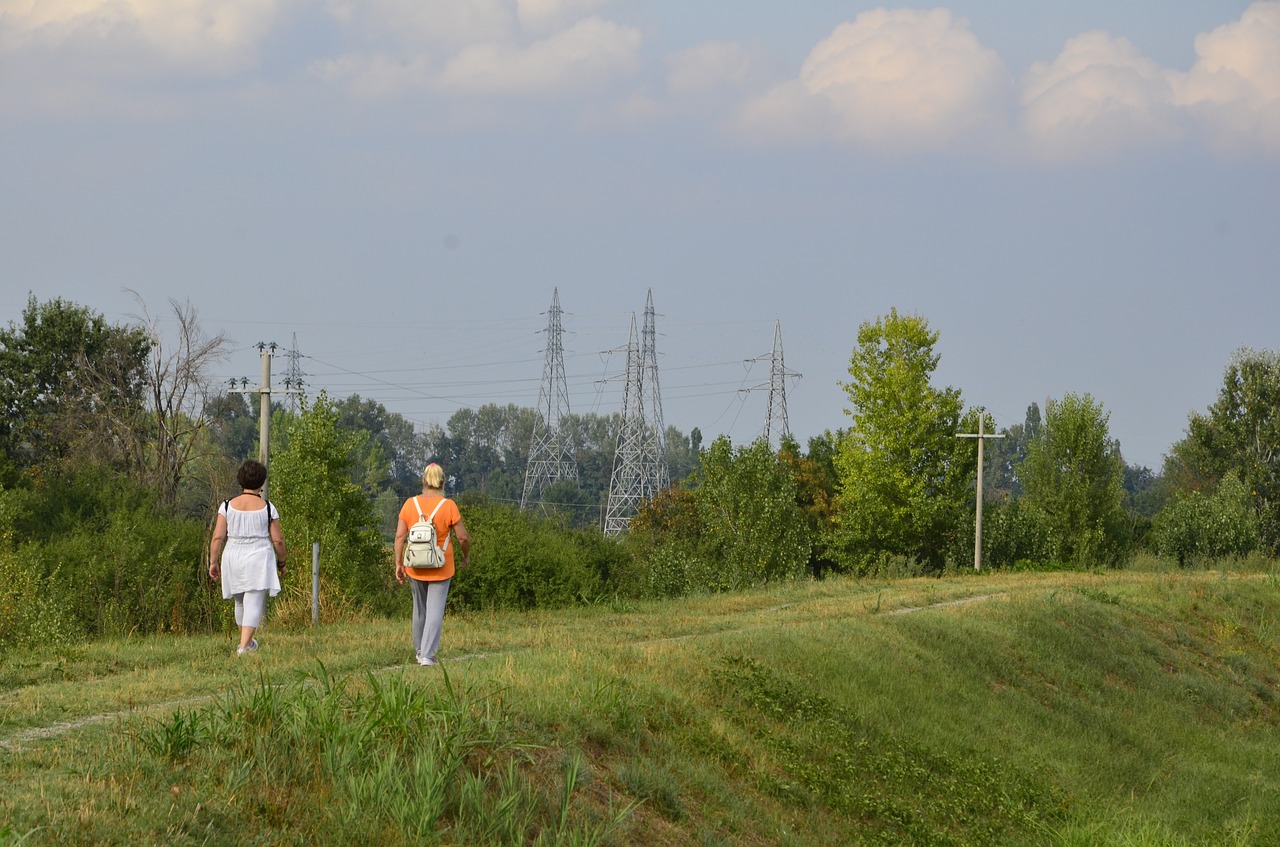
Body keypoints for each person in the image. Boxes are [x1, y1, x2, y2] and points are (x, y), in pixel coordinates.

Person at [393, 462, 470, 666]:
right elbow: (462, 537)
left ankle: (419, 651)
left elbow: (400, 536)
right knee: (435, 610)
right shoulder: (448, 505)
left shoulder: (410, 504)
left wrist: (398, 563)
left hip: (415, 565)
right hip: (441, 566)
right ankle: (428, 655)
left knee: (419, 610)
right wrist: (465, 556)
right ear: (442, 482)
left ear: (423, 481)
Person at [208, 459, 287, 655]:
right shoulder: (268, 507)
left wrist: (213, 562)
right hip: (259, 555)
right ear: (262, 482)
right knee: (253, 600)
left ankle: (248, 644)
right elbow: (278, 540)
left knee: (240, 601)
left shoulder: (226, 506)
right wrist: (282, 562)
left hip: (233, 554)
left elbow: (218, 536)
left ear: (240, 480)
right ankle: (243, 647)